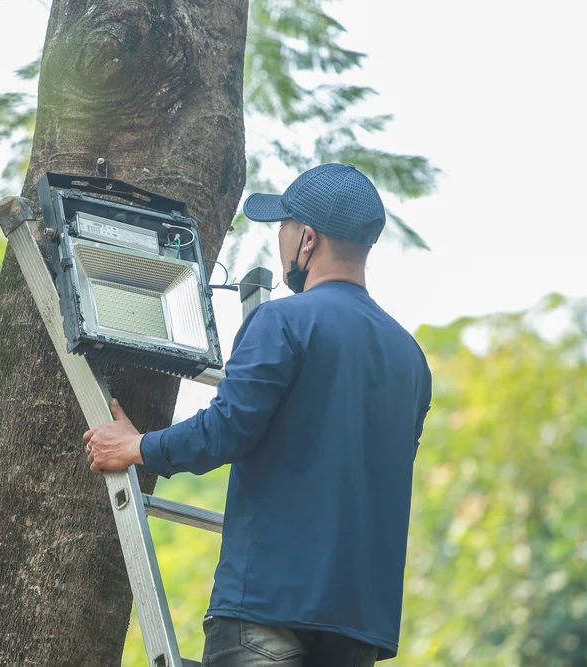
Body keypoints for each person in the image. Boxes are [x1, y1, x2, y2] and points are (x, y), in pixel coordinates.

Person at [84, 163, 432, 666]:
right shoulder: (411, 359)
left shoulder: (283, 321)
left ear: (307, 239)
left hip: (270, 604)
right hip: (359, 624)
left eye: (284, 228)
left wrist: (136, 447)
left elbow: (228, 429)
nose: (281, 241)